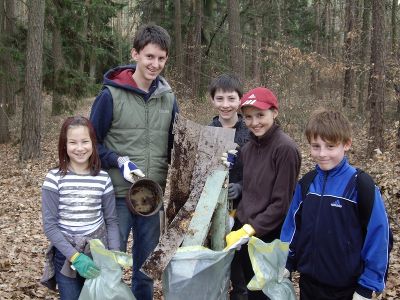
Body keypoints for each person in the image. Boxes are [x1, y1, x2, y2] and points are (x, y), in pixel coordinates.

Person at [89, 24, 178, 300]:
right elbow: (91, 144)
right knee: (111, 261)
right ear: (135, 54)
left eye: (161, 58)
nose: (155, 64)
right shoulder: (110, 95)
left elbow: (175, 143)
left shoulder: (168, 97)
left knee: (146, 267)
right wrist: (117, 160)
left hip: (153, 196)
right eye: (150, 56)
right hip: (118, 195)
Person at [280, 108, 390, 300]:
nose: (322, 153)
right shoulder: (307, 183)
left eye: (330, 146)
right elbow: (292, 227)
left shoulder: (360, 185)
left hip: (346, 289)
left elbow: (379, 236)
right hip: (308, 284)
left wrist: (368, 285)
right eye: (316, 146)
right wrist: (285, 262)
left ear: (346, 144)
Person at [224, 87, 301, 299]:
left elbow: (281, 204)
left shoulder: (285, 149)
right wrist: (235, 217)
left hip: (270, 239)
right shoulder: (248, 148)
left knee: (268, 293)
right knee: (251, 290)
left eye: (260, 115)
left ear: (274, 113)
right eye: (248, 117)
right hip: (247, 237)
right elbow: (250, 190)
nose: (254, 122)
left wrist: (251, 228)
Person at [41, 116, 120, 300]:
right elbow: (50, 226)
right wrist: (75, 257)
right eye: (72, 142)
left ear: (93, 143)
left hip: (98, 254)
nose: (79, 148)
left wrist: (114, 256)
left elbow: (111, 221)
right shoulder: (53, 179)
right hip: (66, 256)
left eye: (85, 141)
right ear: (64, 145)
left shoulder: (103, 178)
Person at [208, 74, 250, 300]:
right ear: (213, 100)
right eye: (220, 99)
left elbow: (258, 172)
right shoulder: (207, 130)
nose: (226, 105)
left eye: (231, 99)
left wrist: (241, 186)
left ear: (240, 100)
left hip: (245, 209)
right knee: (218, 255)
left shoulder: (249, 132)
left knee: (240, 260)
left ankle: (240, 293)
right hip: (215, 209)